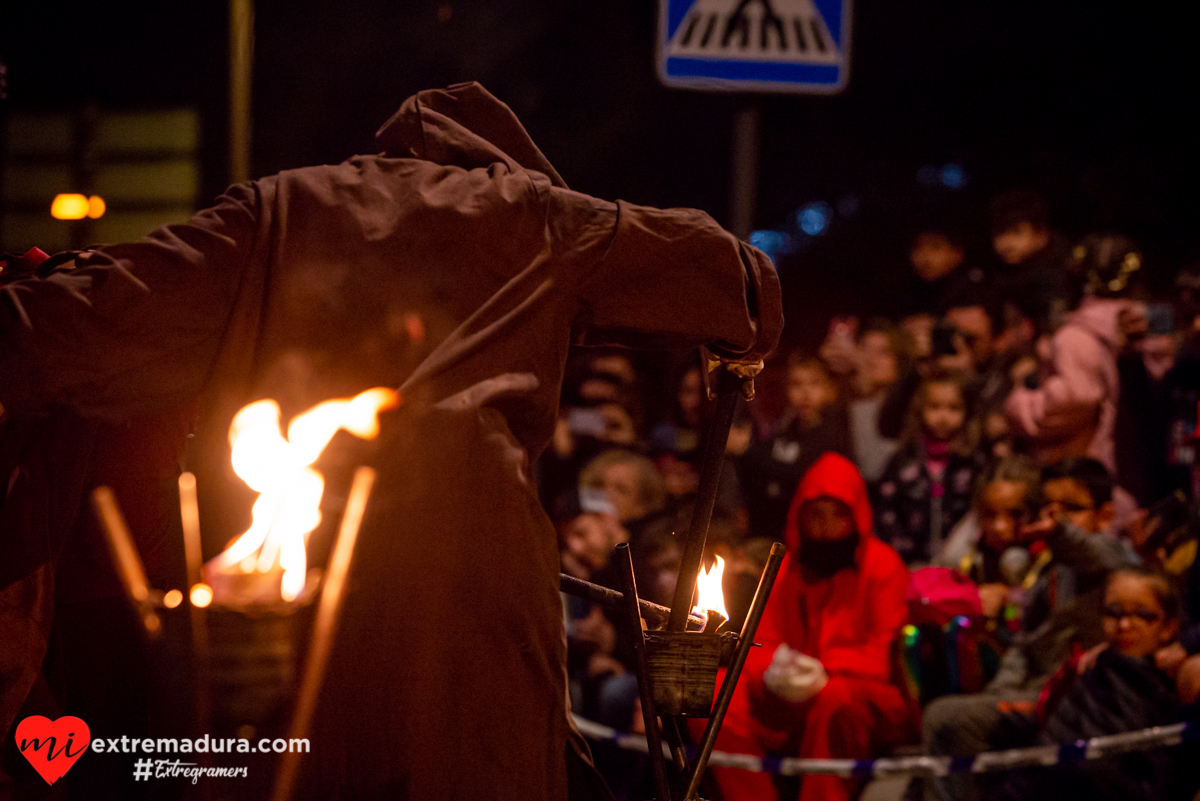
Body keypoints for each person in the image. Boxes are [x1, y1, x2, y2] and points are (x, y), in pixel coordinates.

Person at [0, 82, 784, 801]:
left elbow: (79, 324)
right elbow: (736, 280)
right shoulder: (542, 219)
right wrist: (744, 333)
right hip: (472, 594)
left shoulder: (281, 211)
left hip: (289, 596)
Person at [696, 453, 915, 801]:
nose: (826, 527)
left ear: (856, 515)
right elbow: (760, 645)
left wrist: (821, 667)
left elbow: (884, 657)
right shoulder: (788, 568)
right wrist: (775, 669)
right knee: (712, 691)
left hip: (857, 696)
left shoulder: (883, 567)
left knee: (834, 697)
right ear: (800, 515)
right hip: (793, 694)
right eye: (816, 514)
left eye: (837, 514)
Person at [924, 457, 1137, 801]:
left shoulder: (1113, 560)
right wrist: (993, 699)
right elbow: (1026, 648)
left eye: (1071, 508)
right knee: (959, 717)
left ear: (1105, 515)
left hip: (1079, 701)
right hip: (1036, 695)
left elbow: (1096, 553)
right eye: (1049, 508)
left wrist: (1060, 532)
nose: (1057, 517)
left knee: (944, 717)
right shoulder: (1049, 570)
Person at [994, 568, 1184, 801]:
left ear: (1169, 628)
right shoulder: (1094, 667)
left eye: (1143, 615)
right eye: (1113, 613)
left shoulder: (1171, 689)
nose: (1124, 625)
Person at [1007, 234, 1143, 473]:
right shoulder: (1146, 327)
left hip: (1092, 463)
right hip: (1137, 459)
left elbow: (1072, 398)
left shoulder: (1077, 336)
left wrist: (1019, 403)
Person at [875, 373, 984, 566]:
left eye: (954, 408)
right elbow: (886, 511)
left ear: (967, 411)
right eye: (934, 407)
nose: (943, 416)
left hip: (960, 564)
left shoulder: (972, 461)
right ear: (920, 409)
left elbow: (977, 514)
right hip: (909, 563)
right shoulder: (904, 460)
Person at [739, 354, 850, 541]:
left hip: (816, 534)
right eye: (797, 384)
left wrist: (751, 454)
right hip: (778, 529)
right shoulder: (785, 430)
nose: (805, 393)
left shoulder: (833, 433)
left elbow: (803, 474)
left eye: (815, 384)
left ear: (830, 390)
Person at [989, 189, 1071, 337]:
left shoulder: (1067, 269)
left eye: (1016, 232)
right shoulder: (1006, 270)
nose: (1006, 243)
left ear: (1040, 234)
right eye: (1000, 233)